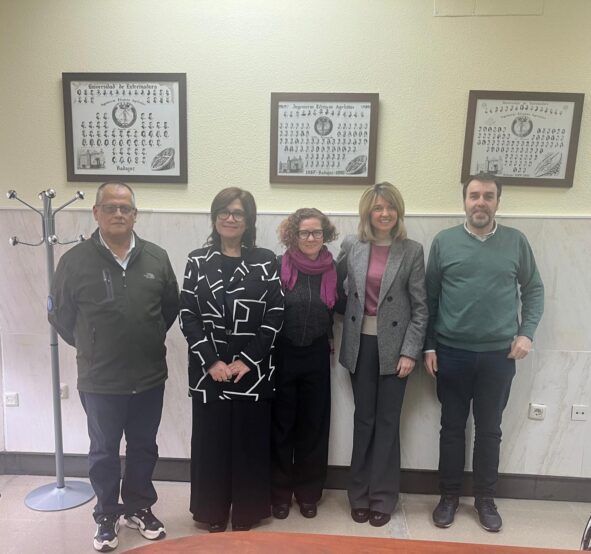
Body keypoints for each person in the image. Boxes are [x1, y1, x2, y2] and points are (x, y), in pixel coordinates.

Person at [49, 182, 179, 552]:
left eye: (125, 208)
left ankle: (138, 507)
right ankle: (106, 513)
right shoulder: (74, 261)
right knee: (103, 450)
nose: (119, 214)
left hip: (149, 376)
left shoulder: (156, 257)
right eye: (110, 207)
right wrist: (94, 345)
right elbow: (60, 315)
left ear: (135, 214)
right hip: (100, 378)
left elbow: (169, 308)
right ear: (96, 213)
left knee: (143, 446)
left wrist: (145, 337)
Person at [424, 173, 544, 532]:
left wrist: (527, 333)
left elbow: (534, 290)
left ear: (497, 202)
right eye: (474, 195)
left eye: (488, 196)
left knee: (490, 429)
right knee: (452, 428)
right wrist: (429, 344)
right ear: (464, 201)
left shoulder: (515, 242)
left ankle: (485, 499)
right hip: (451, 352)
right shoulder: (444, 242)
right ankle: (448, 497)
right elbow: (429, 298)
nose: (480, 202)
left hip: (498, 356)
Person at [179, 187, 284, 533]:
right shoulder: (196, 260)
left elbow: (275, 314)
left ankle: (247, 512)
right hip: (209, 372)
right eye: (224, 211)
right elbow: (188, 314)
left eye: (238, 212)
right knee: (211, 443)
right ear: (214, 217)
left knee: (250, 443)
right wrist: (211, 361)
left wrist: (247, 360)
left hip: (252, 372)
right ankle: (212, 511)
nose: (230, 217)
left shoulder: (266, 260)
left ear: (249, 220)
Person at [337, 182, 428, 527]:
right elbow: (336, 286)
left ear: (398, 211)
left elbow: (421, 308)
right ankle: (358, 495)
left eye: (390, 207)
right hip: (360, 345)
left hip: (396, 351)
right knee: (365, 420)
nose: (384, 213)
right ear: (368, 213)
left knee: (389, 422)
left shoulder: (412, 250)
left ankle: (383, 497)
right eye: (377, 208)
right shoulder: (353, 246)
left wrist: (410, 352)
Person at [271, 208, 343, 520]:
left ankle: (309, 492)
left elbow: (340, 305)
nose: (311, 238)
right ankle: (280, 493)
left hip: (316, 352)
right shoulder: (280, 265)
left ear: (325, 234)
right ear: (293, 236)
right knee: (282, 425)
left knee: (313, 426)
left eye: (316, 232)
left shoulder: (333, 268)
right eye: (304, 233)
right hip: (283, 352)